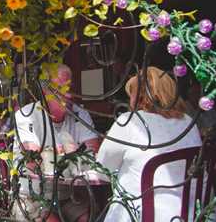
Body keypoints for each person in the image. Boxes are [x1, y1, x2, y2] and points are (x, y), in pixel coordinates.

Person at [97, 66, 202, 222]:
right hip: (192, 214)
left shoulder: (130, 121)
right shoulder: (188, 122)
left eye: (131, 94)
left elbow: (102, 170)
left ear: (138, 96)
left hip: (144, 216)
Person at [13, 64, 100, 222]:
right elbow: (32, 154)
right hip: (33, 195)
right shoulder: (27, 114)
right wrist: (70, 154)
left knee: (89, 217)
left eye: (68, 87)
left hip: (68, 194)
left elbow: (93, 149)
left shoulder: (80, 113)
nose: (67, 94)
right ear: (45, 92)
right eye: (60, 88)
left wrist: (59, 154)